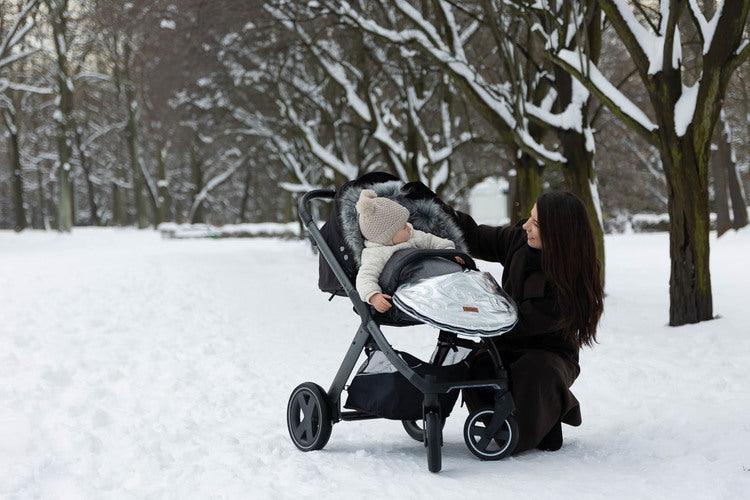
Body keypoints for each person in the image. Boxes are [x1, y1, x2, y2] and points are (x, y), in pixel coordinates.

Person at [451, 191, 604, 453]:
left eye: (535, 223)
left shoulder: (570, 281)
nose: (525, 226)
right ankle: (505, 423)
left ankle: (537, 420)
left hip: (550, 355)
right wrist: (438, 209)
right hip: (505, 342)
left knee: (534, 371)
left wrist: (483, 293)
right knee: (477, 365)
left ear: (558, 233)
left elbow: (521, 323)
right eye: (530, 218)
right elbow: (475, 236)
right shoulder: (521, 240)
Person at [354, 189, 461, 313]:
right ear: (388, 236)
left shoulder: (412, 235)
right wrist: (373, 296)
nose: (409, 227)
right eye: (403, 227)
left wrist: (450, 253)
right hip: (409, 294)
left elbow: (432, 241)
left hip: (434, 279)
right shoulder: (376, 253)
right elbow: (365, 277)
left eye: (406, 223)